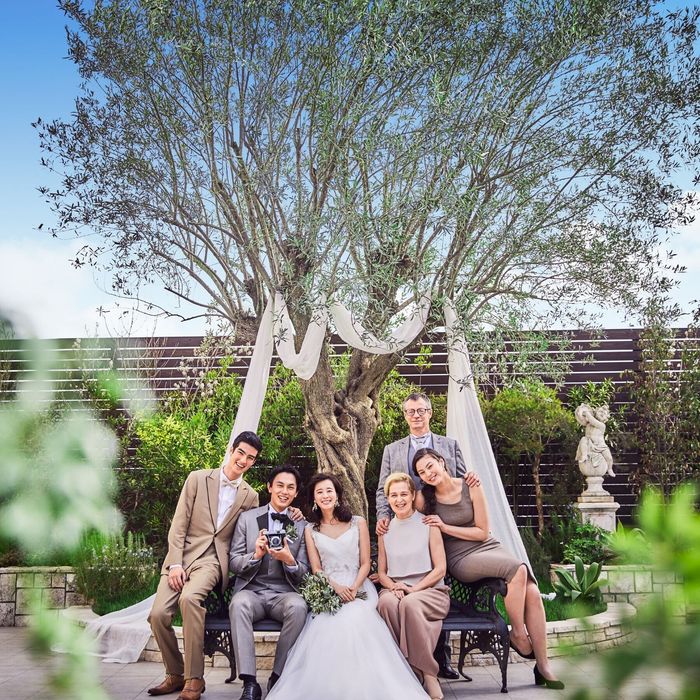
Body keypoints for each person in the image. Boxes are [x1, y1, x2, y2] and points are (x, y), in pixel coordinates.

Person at [267, 473, 430, 700]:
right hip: (329, 587)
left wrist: (353, 587)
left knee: (357, 618)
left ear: (337, 495)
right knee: (326, 623)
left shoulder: (357, 522)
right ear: (314, 498)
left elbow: (365, 563)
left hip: (359, 585)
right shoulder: (311, 529)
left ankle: (367, 685)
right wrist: (336, 588)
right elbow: (317, 569)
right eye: (319, 492)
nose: (325, 495)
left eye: (329, 491)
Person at [413, 447, 565, 690]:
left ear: (441, 462)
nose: (428, 473)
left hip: (487, 545)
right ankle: (518, 633)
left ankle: (543, 666)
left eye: (430, 466)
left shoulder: (470, 484)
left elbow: (482, 532)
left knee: (533, 592)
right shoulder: (423, 498)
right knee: (518, 569)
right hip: (460, 557)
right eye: (422, 472)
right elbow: (399, 506)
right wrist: (385, 523)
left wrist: (445, 526)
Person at [147, 431, 263, 700]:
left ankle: (195, 679)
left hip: (213, 561)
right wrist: (175, 564)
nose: (243, 460)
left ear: (254, 462)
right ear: (231, 450)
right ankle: (175, 674)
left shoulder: (250, 496)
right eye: (241, 453)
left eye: (250, 458)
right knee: (158, 615)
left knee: (189, 599)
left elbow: (250, 533)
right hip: (182, 556)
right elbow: (179, 525)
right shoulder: (197, 479)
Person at [375, 391, 476, 679]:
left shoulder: (449, 445)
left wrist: (471, 480)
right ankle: (408, 663)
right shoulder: (392, 450)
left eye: (421, 410)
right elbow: (382, 488)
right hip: (406, 525)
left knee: (435, 582)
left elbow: (461, 482)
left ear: (430, 413)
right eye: (411, 411)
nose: (416, 415)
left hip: (442, 525)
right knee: (405, 598)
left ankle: (441, 659)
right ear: (405, 416)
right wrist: (383, 518)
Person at [228, 465, 309, 700]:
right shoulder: (246, 519)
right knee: (238, 604)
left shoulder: (302, 525)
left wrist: (289, 560)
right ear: (269, 487)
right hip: (252, 590)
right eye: (280, 485)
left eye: (290, 487)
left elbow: (305, 571)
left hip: (284, 593)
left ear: (296, 493)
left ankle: (278, 676)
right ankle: (249, 683)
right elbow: (234, 561)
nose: (284, 491)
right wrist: (255, 555)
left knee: (298, 606)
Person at [377, 473, 451, 700]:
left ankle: (428, 673)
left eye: (403, 494)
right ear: (388, 499)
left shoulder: (428, 524)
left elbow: (440, 569)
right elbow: (382, 572)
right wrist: (394, 587)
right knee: (386, 603)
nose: (399, 500)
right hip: (396, 588)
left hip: (430, 590)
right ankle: (406, 670)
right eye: (393, 495)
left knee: (409, 604)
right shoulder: (384, 530)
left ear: (412, 495)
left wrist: (413, 589)